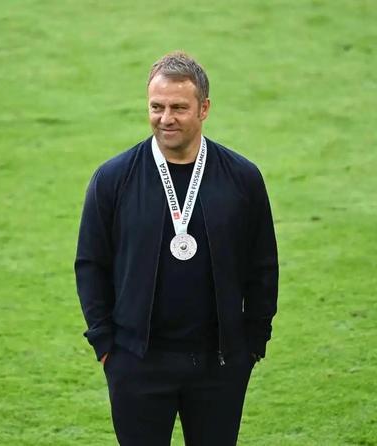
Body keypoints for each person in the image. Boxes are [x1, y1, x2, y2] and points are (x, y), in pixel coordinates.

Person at [74, 51, 278, 446]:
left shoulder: (242, 179)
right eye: (157, 107)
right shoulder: (113, 179)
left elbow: (263, 266)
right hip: (136, 363)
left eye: (179, 108)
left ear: (204, 109)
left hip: (219, 366)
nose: (165, 118)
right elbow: (91, 264)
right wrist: (106, 346)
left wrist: (252, 344)